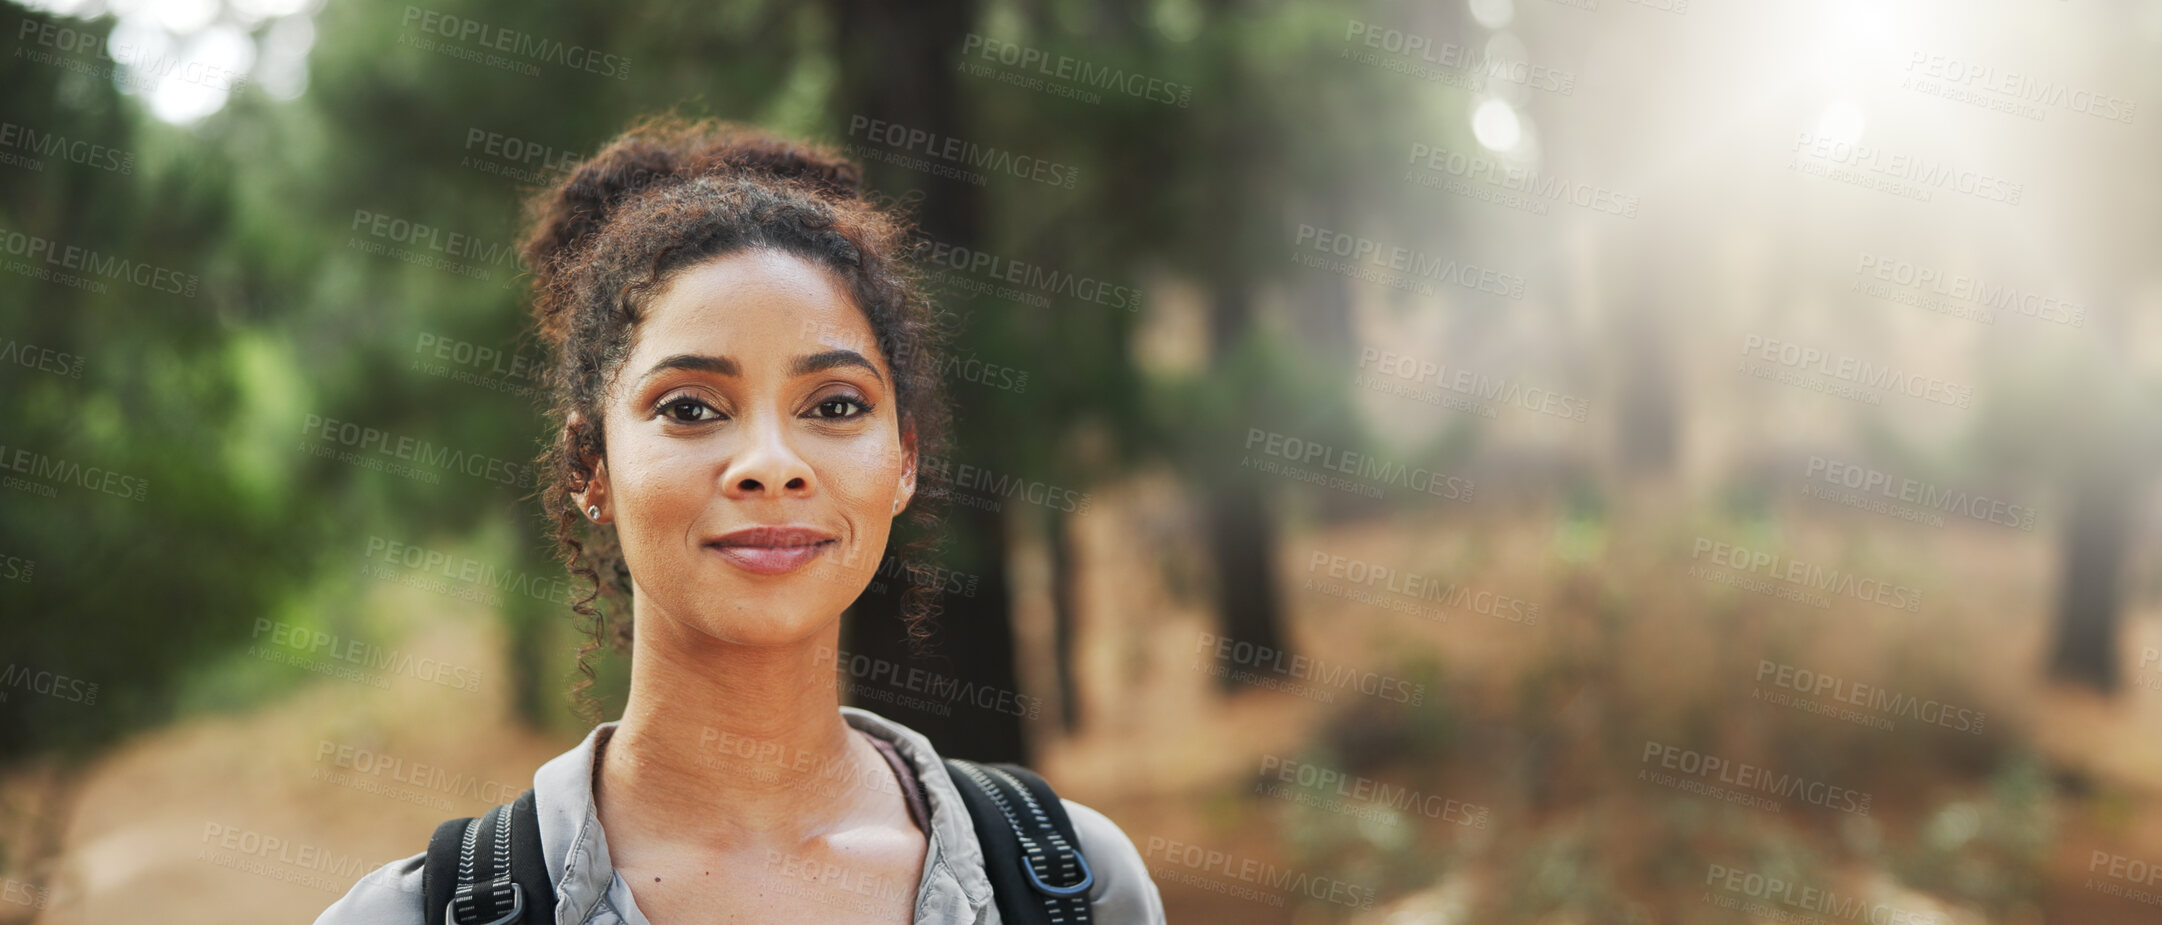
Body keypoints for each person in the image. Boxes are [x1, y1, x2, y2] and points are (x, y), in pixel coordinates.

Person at [313, 116, 1166, 925]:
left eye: (834, 404)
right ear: (589, 468)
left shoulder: (1076, 884)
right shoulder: (410, 915)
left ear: (903, 461)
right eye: (689, 407)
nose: (771, 462)